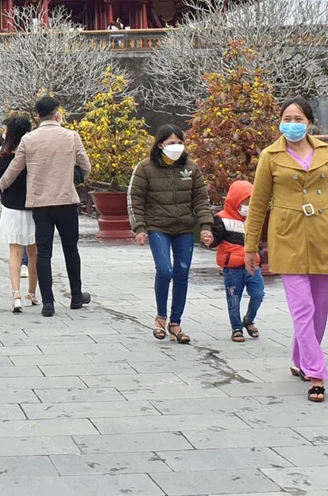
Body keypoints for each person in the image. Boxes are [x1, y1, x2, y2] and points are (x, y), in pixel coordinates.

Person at [245, 97, 328, 403]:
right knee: (302, 308)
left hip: (322, 236)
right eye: (287, 119)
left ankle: (300, 358)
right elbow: (257, 205)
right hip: (288, 237)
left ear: (309, 123)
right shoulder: (271, 156)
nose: (292, 124)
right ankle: (316, 373)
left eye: (298, 119)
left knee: (320, 309)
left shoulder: (325, 152)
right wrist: (251, 246)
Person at [0, 97, 92, 317]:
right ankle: (76, 296)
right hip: (66, 200)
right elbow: (86, 166)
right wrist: (74, 178)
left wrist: (2, 185)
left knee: (43, 253)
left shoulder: (29, 139)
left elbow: (14, 168)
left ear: (37, 116)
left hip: (40, 204)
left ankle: (48, 303)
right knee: (71, 248)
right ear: (57, 114)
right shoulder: (71, 136)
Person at [128, 125, 212, 344]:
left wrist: (205, 226)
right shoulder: (145, 168)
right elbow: (135, 199)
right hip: (158, 227)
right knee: (165, 271)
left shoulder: (191, 168)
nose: (176, 147)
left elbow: (201, 199)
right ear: (160, 145)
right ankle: (160, 318)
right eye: (171, 143)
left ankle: (175, 323)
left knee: (182, 274)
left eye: (179, 143)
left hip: (184, 228)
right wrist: (139, 228)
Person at [202, 180, 264, 343]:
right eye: (245, 202)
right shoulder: (222, 219)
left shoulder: (253, 219)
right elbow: (215, 239)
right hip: (232, 267)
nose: (248, 206)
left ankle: (249, 319)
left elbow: (259, 241)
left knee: (258, 294)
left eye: (250, 202)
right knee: (233, 298)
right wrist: (209, 240)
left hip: (252, 265)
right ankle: (236, 327)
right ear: (236, 201)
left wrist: (260, 258)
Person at [0, 117, 39, 311]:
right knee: (34, 253)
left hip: (11, 207)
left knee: (15, 252)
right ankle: (32, 293)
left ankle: (16, 294)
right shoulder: (34, 153)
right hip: (34, 206)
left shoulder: (4, 155)